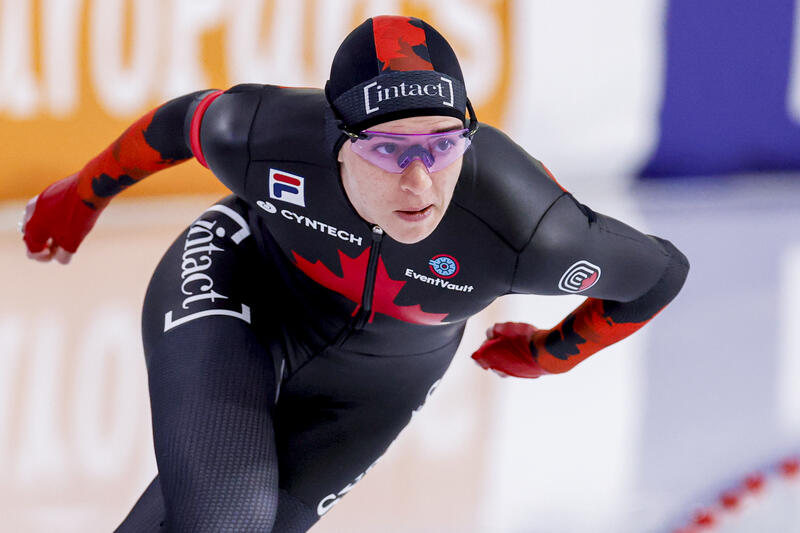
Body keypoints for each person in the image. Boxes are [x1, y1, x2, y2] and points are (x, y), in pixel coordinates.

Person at [20, 15, 689, 533]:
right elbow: (176, 126)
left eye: (442, 144)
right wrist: (80, 195)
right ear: (338, 137)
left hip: (376, 381)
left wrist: (552, 353)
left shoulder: (532, 229)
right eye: (389, 149)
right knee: (228, 516)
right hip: (241, 281)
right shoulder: (261, 132)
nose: (419, 179)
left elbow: (658, 273)